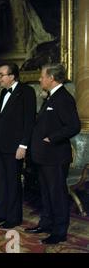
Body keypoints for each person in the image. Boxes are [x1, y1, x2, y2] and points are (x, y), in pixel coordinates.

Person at [25, 63, 80, 244]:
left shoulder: (64, 98)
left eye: (42, 76)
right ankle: (46, 223)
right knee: (46, 193)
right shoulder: (50, 97)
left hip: (55, 156)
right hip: (44, 156)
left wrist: (52, 138)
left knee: (56, 194)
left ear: (52, 78)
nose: (40, 79)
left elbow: (73, 126)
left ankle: (59, 231)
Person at [0, 63, 36, 229]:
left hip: (15, 147)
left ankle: (14, 217)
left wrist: (23, 145)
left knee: (13, 182)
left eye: (1, 75)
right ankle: (2, 214)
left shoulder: (27, 92)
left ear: (12, 76)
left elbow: (29, 121)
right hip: (0, 145)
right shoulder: (3, 92)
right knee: (2, 181)